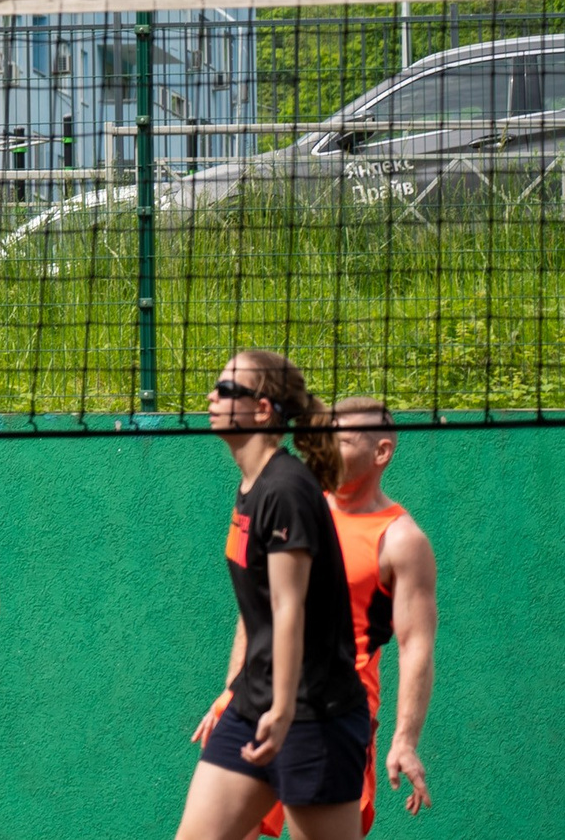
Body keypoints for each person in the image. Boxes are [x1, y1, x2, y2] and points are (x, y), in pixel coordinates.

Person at [174, 350, 370, 840]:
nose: (210, 398)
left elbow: (288, 609)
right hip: (253, 706)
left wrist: (282, 712)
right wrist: (235, 690)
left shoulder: (285, 490)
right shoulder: (254, 485)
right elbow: (257, 612)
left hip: (312, 717)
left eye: (225, 390)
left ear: (262, 410)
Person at [248, 397, 437, 839]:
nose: (325, 447)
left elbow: (415, 645)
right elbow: (261, 611)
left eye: (340, 439)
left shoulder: (401, 540)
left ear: (381, 452)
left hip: (334, 712)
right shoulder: (298, 509)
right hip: (263, 698)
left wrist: (405, 740)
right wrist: (231, 691)